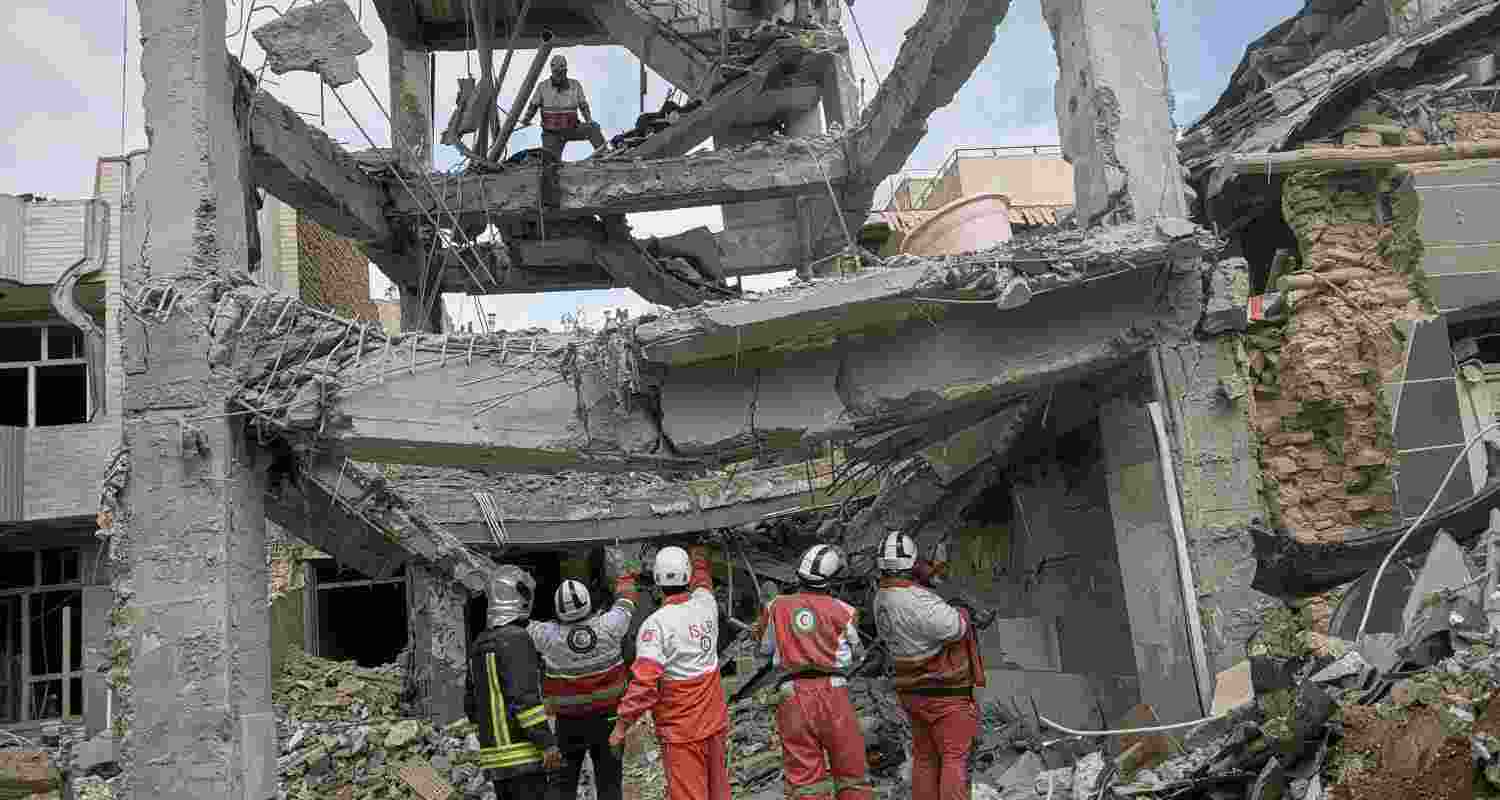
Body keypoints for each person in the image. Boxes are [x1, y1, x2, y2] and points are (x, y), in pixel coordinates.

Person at [608, 544, 730, 800]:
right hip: (715, 724)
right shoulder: (706, 605)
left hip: (681, 731)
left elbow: (643, 685)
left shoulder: (655, 626)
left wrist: (621, 727)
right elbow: (704, 582)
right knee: (718, 792)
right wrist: (698, 557)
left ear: (656, 580)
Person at [872, 532, 985, 800]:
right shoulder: (917, 601)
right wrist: (965, 609)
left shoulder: (881, 598)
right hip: (944, 692)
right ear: (911, 563)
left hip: (912, 691)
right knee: (954, 758)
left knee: (925, 757)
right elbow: (957, 627)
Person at [755, 544, 874, 800]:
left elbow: (763, 651)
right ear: (832, 580)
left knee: (805, 781)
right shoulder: (845, 611)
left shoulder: (775, 607)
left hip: (792, 696)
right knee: (852, 774)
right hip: (834, 694)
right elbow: (859, 655)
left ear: (799, 574)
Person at [528, 573, 640, 800]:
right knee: (609, 784)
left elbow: (519, 623)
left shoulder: (547, 636)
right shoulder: (610, 625)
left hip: (569, 725)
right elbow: (627, 600)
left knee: (563, 786)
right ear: (589, 602)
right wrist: (624, 576)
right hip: (609, 720)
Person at [465, 565, 562, 800]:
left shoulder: (479, 643)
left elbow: (470, 704)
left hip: (496, 760)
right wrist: (546, 742)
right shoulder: (516, 638)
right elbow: (524, 698)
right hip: (523, 755)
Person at [521, 54, 606, 160]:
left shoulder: (575, 85)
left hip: (572, 129)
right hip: (551, 133)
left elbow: (583, 106)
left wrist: (589, 120)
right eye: (556, 72)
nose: (559, 75)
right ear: (552, 71)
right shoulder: (543, 86)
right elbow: (533, 106)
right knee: (551, 162)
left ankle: (605, 155)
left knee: (593, 128)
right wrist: (526, 119)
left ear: (566, 70)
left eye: (562, 71)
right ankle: (551, 165)